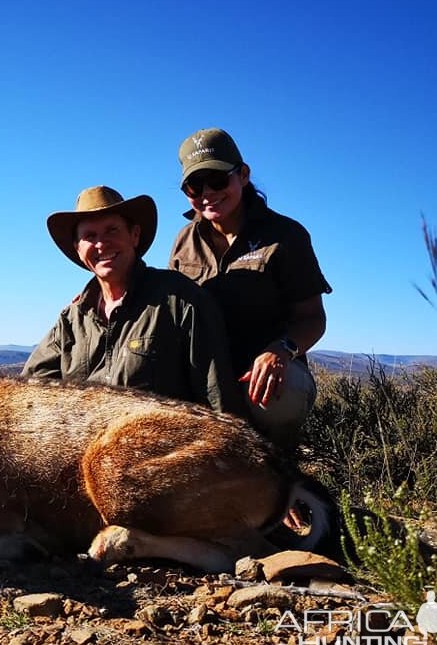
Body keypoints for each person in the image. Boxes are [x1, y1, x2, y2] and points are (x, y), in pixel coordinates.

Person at [169, 128, 332, 454]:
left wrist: (281, 350)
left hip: (267, 371)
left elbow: (313, 318)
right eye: (194, 185)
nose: (207, 193)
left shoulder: (286, 236)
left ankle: (279, 473)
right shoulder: (183, 242)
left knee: (277, 399)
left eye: (217, 180)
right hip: (205, 371)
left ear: (243, 175)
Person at [23, 185, 246, 416]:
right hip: (86, 447)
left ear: (135, 235)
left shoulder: (181, 302)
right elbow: (29, 391)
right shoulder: (71, 320)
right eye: (90, 236)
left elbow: (218, 400)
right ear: (78, 249)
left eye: (112, 230)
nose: (101, 244)